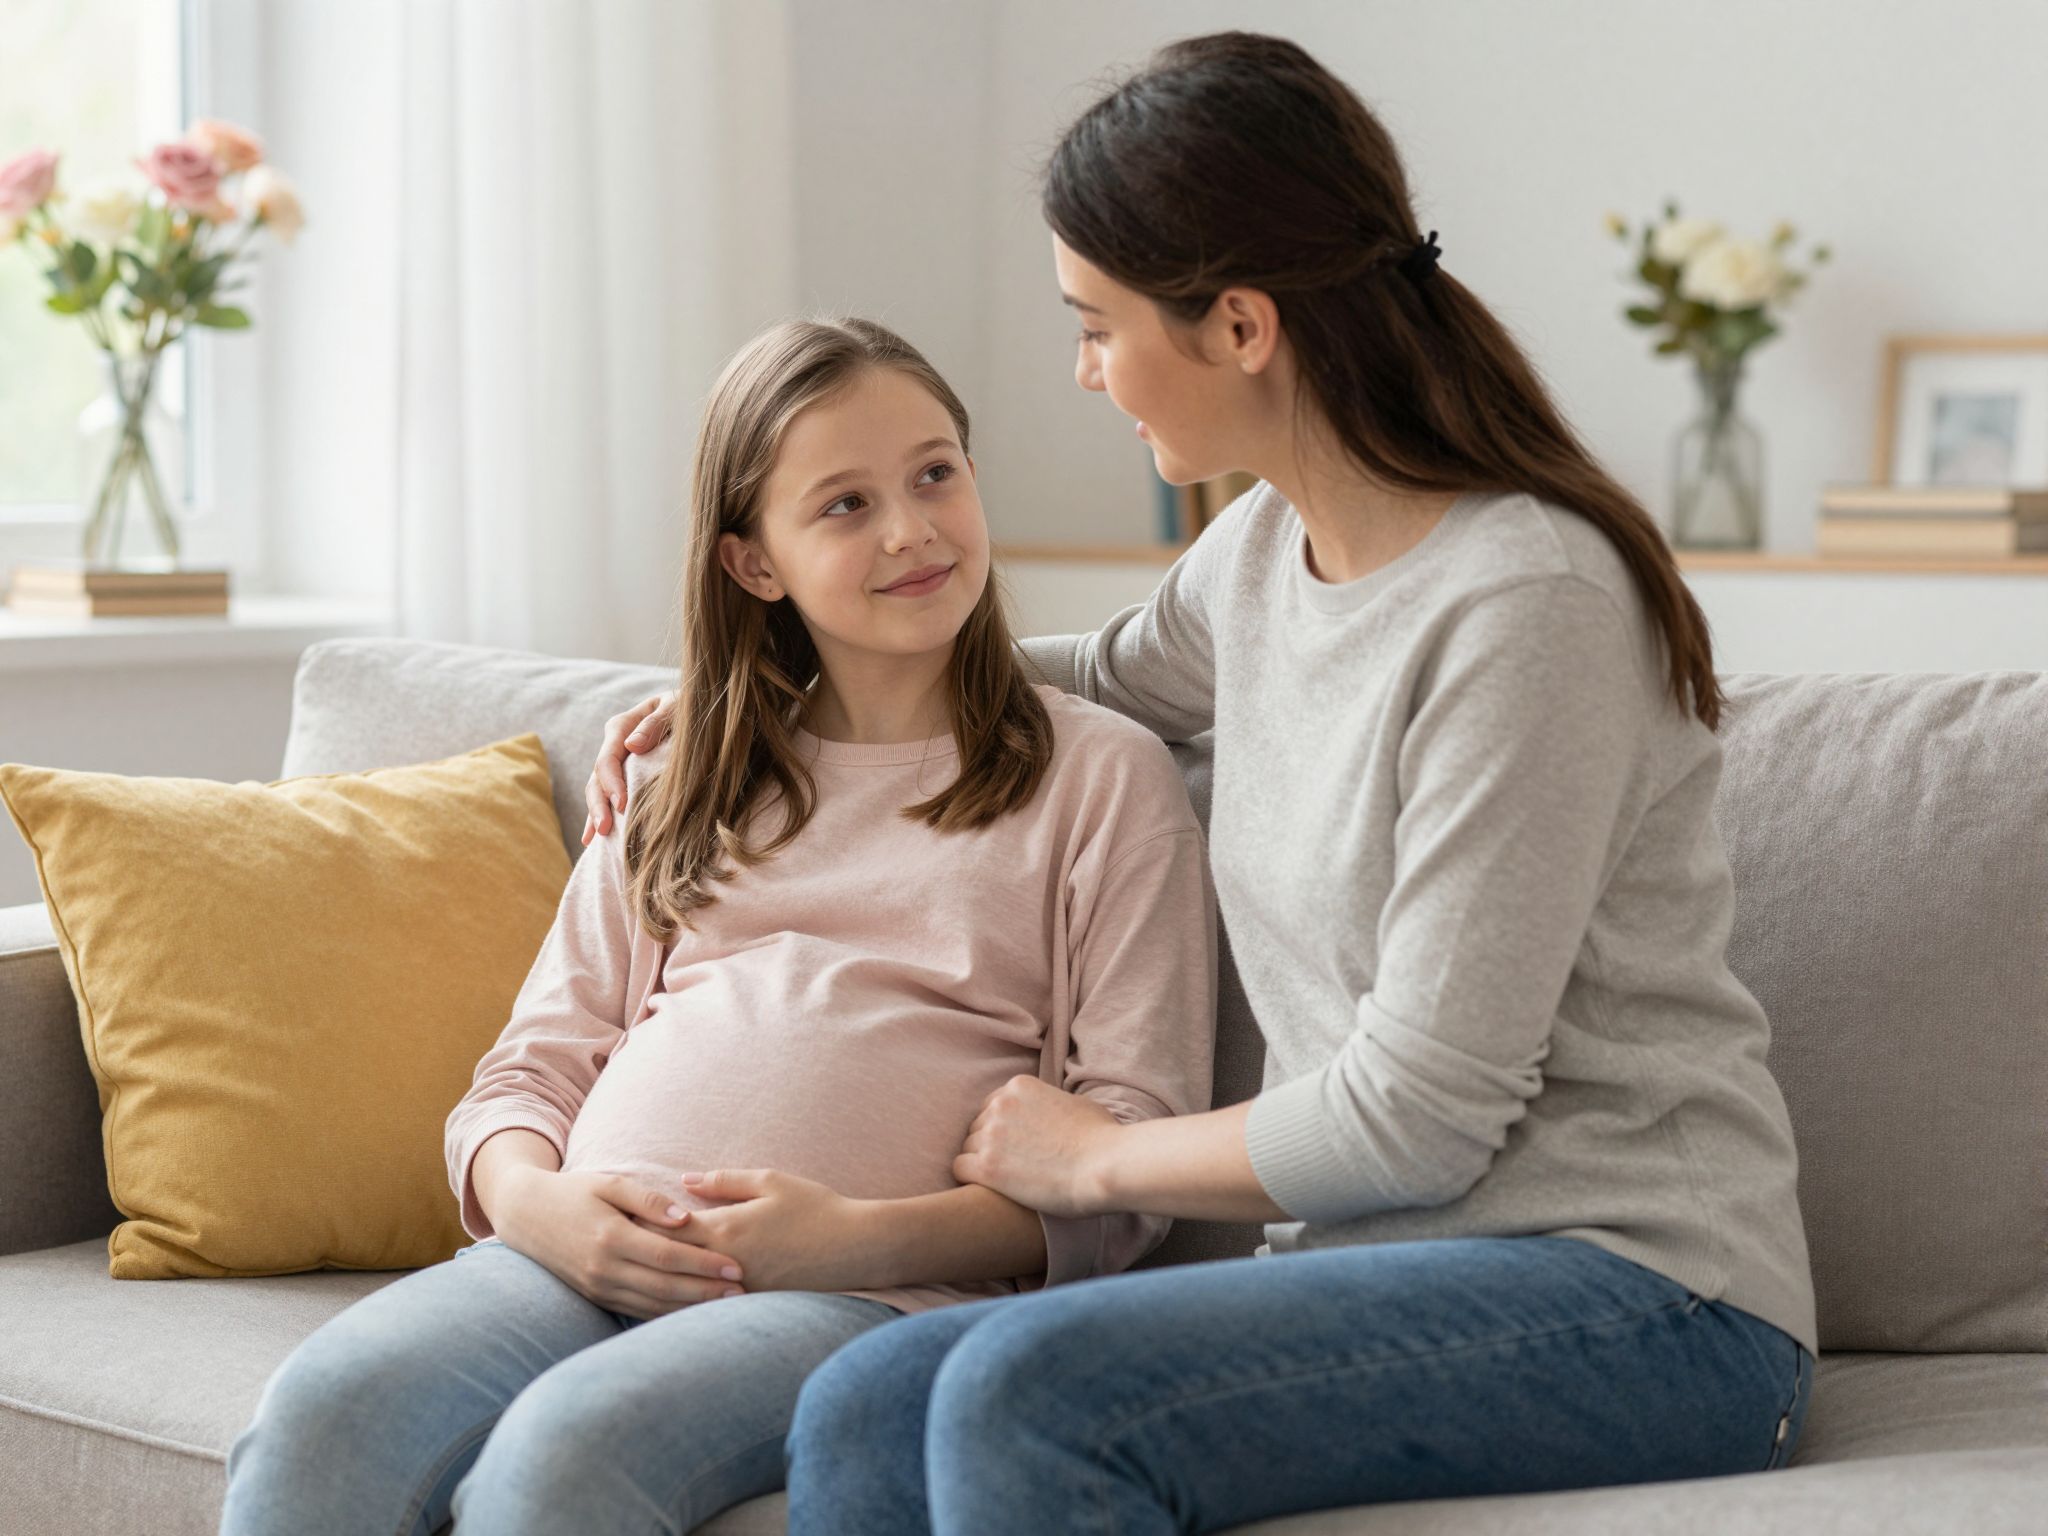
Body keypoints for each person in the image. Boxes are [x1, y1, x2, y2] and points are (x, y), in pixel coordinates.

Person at [581, 29, 1819, 1536]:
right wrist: (752, 695)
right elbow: (1071, 681)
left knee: (1015, 1391)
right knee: (864, 1397)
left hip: (1648, 1298)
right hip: (1394, 1274)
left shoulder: (1525, 605)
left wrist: (1093, 1158)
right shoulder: (1259, 557)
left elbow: (1422, 1117)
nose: (1085, 372)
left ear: (1239, 325)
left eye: (1097, 325)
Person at [216, 317, 1217, 1536]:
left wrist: (846, 1243)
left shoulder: (1099, 776)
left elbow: (1131, 1163)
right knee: (325, 1408)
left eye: (934, 473)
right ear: (754, 565)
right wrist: (546, 1213)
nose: (910, 529)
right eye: (843, 505)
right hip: (573, 1250)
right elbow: (527, 1071)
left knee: (566, 1456)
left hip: (876, 1292)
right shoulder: (681, 769)